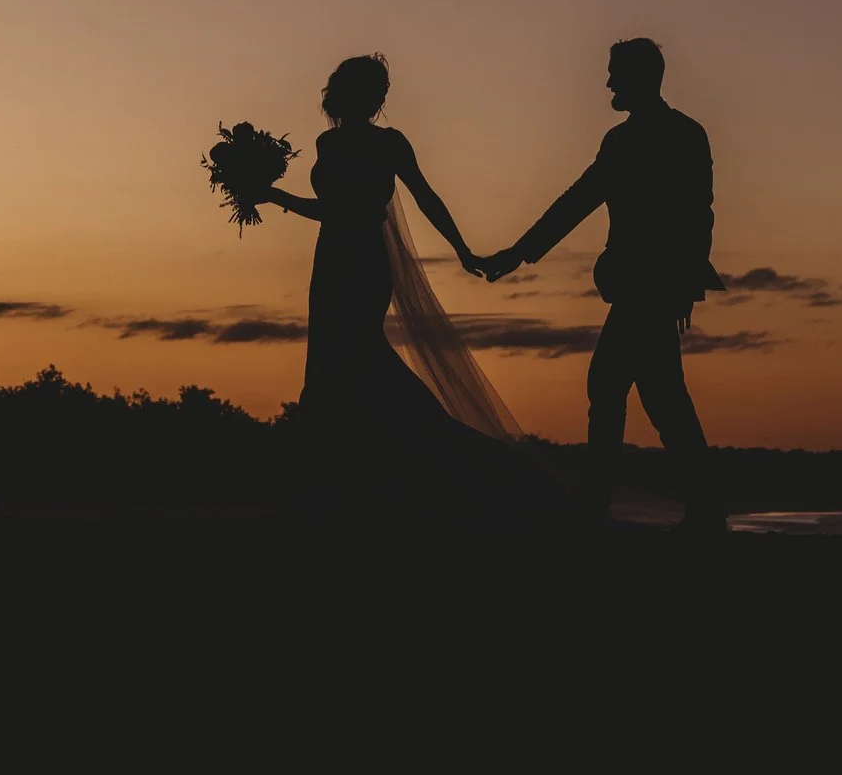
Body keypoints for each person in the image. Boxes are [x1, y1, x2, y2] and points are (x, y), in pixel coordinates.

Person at [255, 54, 559, 528]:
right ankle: (342, 489)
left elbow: (424, 196)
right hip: (330, 260)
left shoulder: (390, 144)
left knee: (358, 361)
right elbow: (329, 210)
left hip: (362, 263)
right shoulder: (326, 142)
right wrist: (273, 196)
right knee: (332, 367)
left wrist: (462, 249)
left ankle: (442, 467)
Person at [481, 38, 726, 532]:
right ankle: (696, 505)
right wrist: (519, 253)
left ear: (641, 77)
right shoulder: (617, 141)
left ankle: (600, 507)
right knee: (660, 395)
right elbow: (578, 200)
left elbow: (697, 214)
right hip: (634, 284)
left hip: (654, 286)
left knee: (615, 385)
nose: (608, 83)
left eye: (615, 73)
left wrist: (684, 285)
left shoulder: (685, 135)